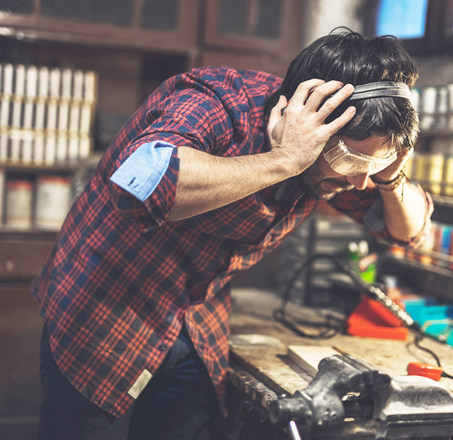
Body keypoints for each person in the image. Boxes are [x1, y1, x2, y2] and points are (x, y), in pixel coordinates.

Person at [33, 28, 432, 439]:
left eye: (376, 160)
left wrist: (391, 176)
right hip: (106, 303)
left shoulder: (347, 169)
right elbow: (143, 187)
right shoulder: (218, 102)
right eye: (351, 159)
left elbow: (407, 233)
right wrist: (285, 160)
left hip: (197, 318)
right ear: (310, 122)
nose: (361, 181)